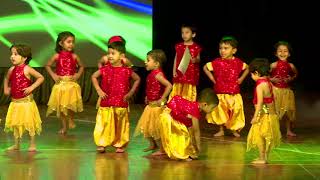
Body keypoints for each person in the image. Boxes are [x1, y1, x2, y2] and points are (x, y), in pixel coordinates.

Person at [92, 40, 140, 153]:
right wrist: (99, 90)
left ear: (122, 56)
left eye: (113, 53)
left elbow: (137, 79)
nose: (109, 56)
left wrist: (130, 93)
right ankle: (102, 143)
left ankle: (120, 144)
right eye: (109, 53)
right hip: (106, 101)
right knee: (103, 123)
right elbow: (94, 77)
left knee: (120, 124)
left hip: (120, 102)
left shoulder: (127, 70)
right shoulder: (105, 69)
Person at [153, 88, 219, 161]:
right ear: (205, 104)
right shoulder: (195, 111)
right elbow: (196, 131)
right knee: (181, 136)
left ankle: (171, 151)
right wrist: (198, 146)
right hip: (169, 118)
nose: (212, 111)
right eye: (212, 108)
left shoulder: (194, 106)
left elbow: (191, 129)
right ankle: (182, 155)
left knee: (184, 135)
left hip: (169, 115)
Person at [203, 36, 249, 137]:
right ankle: (221, 130)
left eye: (226, 48)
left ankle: (234, 130)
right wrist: (212, 78)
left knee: (234, 112)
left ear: (234, 50)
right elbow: (205, 67)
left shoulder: (238, 62)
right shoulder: (217, 62)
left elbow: (247, 68)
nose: (222, 51)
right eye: (220, 48)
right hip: (220, 93)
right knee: (221, 112)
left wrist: (241, 79)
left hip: (234, 93)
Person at [4, 44, 44, 152]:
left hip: (26, 103)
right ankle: (16, 144)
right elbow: (6, 78)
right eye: (11, 54)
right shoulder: (11, 69)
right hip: (15, 103)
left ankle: (32, 144)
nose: (12, 56)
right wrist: (6, 88)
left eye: (16, 54)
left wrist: (32, 87)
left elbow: (41, 77)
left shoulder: (27, 69)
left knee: (29, 123)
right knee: (16, 123)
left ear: (25, 57)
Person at [45, 31, 84, 135]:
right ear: (61, 43)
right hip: (60, 85)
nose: (71, 44)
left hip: (71, 85)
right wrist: (53, 75)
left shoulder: (75, 56)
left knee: (71, 105)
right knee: (62, 108)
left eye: (73, 42)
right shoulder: (56, 56)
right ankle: (64, 127)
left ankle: (71, 119)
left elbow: (81, 66)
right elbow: (47, 65)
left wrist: (77, 75)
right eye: (68, 42)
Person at [134, 49, 172, 152]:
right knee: (147, 128)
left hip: (157, 108)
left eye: (148, 60)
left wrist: (162, 98)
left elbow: (169, 85)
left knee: (156, 129)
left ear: (156, 64)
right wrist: (147, 96)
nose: (145, 62)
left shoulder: (158, 74)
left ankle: (162, 149)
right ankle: (153, 145)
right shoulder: (152, 73)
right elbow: (152, 87)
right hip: (150, 106)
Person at [247, 58, 281, 164]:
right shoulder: (269, 83)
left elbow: (260, 103)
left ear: (256, 73)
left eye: (251, 74)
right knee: (268, 137)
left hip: (263, 116)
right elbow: (274, 98)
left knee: (259, 136)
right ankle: (265, 157)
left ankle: (262, 158)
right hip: (271, 115)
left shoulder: (260, 85)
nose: (251, 77)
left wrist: (255, 116)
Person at [270, 41, 298, 136]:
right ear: (276, 53)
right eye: (280, 51)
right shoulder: (273, 65)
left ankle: (288, 130)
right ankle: (276, 129)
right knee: (276, 111)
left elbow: (295, 74)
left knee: (287, 111)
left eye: (285, 51)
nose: (282, 53)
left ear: (289, 53)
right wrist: (272, 79)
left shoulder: (291, 66)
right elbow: (265, 76)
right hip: (276, 91)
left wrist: (291, 78)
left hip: (287, 92)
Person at [169, 24, 202, 101]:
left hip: (190, 74)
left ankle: (187, 106)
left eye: (187, 32)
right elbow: (176, 58)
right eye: (182, 33)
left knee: (188, 92)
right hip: (180, 72)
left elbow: (199, 59)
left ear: (193, 34)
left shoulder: (196, 47)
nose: (184, 35)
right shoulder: (179, 46)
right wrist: (174, 71)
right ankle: (176, 106)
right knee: (178, 90)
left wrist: (195, 60)